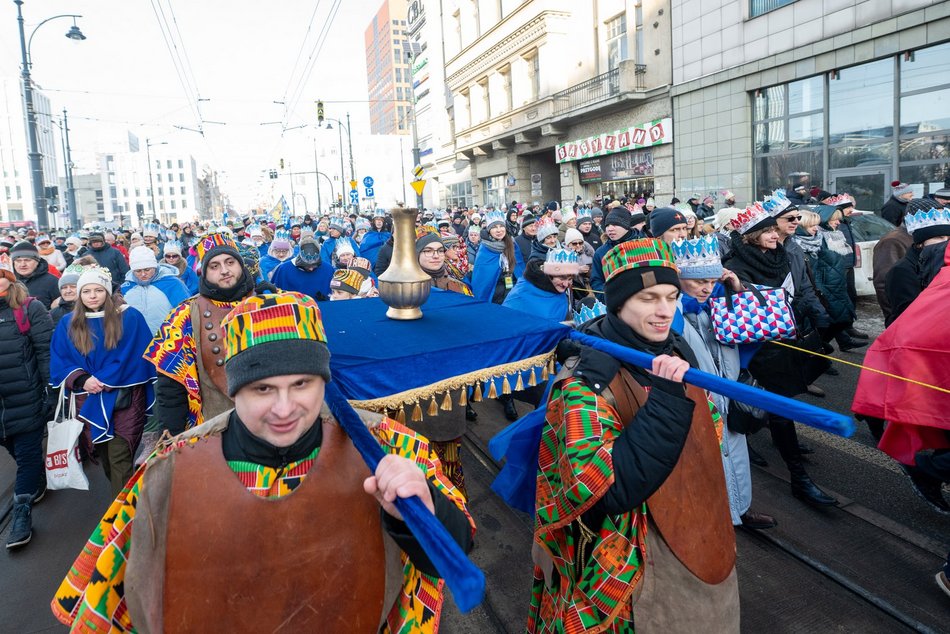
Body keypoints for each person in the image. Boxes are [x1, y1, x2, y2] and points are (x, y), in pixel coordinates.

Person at [52, 291, 474, 632]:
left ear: (324, 382)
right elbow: (112, 603)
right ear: (234, 390)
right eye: (262, 389)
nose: (285, 408)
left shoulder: (387, 448)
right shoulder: (172, 466)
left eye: (302, 384)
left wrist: (420, 510)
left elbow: (455, 555)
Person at [527, 238, 739, 632]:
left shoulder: (677, 352)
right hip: (625, 569)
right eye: (648, 298)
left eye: (672, 296)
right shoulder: (585, 381)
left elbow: (708, 438)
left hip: (697, 540)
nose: (664, 311)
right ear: (619, 302)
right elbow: (607, 488)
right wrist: (668, 401)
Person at [723, 203, 837, 506]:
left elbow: (796, 290)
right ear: (750, 235)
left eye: (775, 229)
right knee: (773, 405)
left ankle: (768, 441)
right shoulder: (733, 266)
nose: (776, 235)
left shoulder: (782, 257)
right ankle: (798, 478)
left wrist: (806, 310)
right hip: (754, 348)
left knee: (781, 403)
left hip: (785, 341)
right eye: (769, 231)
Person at [672, 235, 777, 530]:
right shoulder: (671, 311)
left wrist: (738, 289)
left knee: (736, 450)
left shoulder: (721, 303)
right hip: (696, 399)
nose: (706, 287)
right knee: (703, 459)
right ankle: (715, 516)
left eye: (711, 280)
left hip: (728, 394)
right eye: (698, 281)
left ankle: (740, 509)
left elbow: (765, 326)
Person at [51, 266, 156, 496]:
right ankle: (126, 502)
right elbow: (61, 360)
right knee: (106, 459)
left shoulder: (129, 317)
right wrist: (83, 380)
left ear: (107, 292)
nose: (92, 295)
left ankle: (122, 522)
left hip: (123, 399)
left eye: (98, 290)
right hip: (88, 399)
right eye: (86, 291)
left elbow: (135, 354)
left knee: (120, 456)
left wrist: (101, 379)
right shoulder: (68, 323)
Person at [145, 233, 259, 435]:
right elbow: (170, 388)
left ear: (241, 265)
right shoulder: (185, 315)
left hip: (271, 423)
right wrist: (172, 436)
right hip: (212, 429)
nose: (224, 271)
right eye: (214, 266)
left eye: (230, 262)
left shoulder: (269, 303)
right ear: (203, 273)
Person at [0, 255, 53, 549]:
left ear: (10, 279)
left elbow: (44, 351)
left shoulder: (29, 308)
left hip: (27, 397)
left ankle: (21, 516)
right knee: (18, 453)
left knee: (28, 454)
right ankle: (37, 479)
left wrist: (51, 391)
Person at [120, 246, 191, 335]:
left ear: (154, 266)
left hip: (168, 340)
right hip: (137, 340)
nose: (143, 274)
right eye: (138, 271)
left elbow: (187, 312)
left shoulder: (173, 284)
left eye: (147, 270)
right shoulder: (126, 288)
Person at [503, 247, 577, 322]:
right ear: (549, 274)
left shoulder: (558, 288)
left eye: (570, 279)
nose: (566, 284)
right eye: (562, 278)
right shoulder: (521, 292)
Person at [472, 211, 525, 304]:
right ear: (489, 230)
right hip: (494, 297)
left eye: (501, 226)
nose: (499, 230)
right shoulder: (485, 249)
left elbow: (520, 269)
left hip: (513, 294)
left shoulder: (512, 244)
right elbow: (481, 280)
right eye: (494, 227)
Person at [271, 235, 335, 301]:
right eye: (307, 265)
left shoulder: (328, 269)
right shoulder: (284, 270)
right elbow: (275, 295)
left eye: (314, 265)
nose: (311, 269)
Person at [589, 206, 637, 293]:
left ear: (626, 225)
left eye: (615, 224)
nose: (610, 229)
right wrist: (609, 299)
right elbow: (596, 282)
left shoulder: (643, 245)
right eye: (607, 225)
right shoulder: (600, 252)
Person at [416, 228, 473, 296]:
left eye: (440, 251)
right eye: (428, 251)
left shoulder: (459, 287)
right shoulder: (407, 289)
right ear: (417, 254)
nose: (436, 256)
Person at [10, 240, 60, 309]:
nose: (22, 264)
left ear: (37, 262)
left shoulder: (52, 282)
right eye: (18, 261)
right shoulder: (8, 281)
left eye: (27, 260)